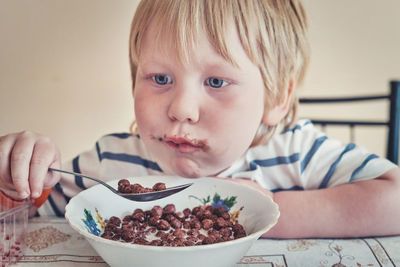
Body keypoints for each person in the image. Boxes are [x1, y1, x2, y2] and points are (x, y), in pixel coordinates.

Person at [0, 0, 399, 238]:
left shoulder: (296, 154)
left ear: (277, 97)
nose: (182, 109)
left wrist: (271, 210)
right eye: (160, 78)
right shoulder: (109, 163)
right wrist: (16, 178)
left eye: (216, 81)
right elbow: (25, 215)